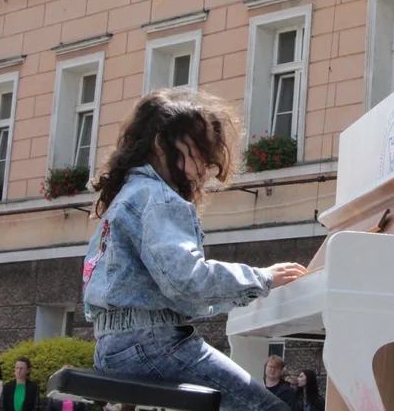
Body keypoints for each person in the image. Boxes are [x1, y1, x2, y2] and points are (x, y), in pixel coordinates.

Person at [82, 87, 308, 411]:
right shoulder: (157, 197)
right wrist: (262, 278)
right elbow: (188, 283)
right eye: (198, 150)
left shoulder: (126, 197)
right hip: (151, 345)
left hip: (112, 347)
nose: (204, 165)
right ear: (162, 143)